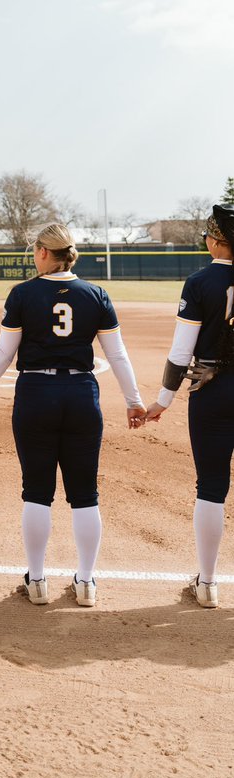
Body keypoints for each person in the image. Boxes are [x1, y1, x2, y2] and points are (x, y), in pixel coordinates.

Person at [0, 222, 146, 608]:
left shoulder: (23, 294)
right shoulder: (96, 293)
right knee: (85, 493)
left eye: (35, 250)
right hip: (81, 393)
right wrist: (133, 399)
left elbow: (2, 353)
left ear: (45, 253)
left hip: (35, 393)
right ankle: (85, 582)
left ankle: (38, 580)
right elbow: (117, 355)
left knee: (37, 491)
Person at [145, 204, 234, 609]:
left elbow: (181, 353)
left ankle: (208, 583)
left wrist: (163, 400)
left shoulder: (199, 282)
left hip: (212, 392)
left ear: (216, 241)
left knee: (212, 488)